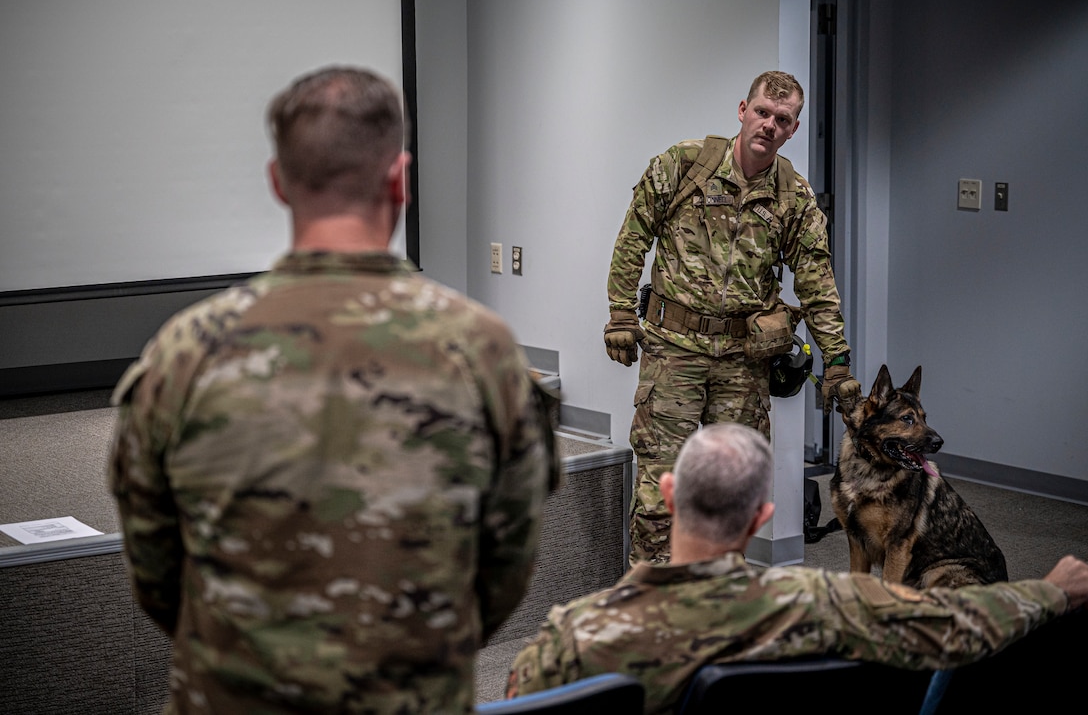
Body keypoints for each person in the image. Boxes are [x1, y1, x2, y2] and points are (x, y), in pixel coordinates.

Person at [108, 66, 559, 714]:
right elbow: (508, 563)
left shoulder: (187, 349)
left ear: (276, 182)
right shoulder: (482, 348)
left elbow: (155, 573)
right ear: (399, 177)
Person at [505, 423, 1088, 714]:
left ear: (668, 493)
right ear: (761, 517)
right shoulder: (825, 603)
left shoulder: (571, 635)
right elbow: (956, 621)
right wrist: (1051, 591)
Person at [604, 71, 861, 563]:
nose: (769, 124)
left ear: (793, 130)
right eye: (762, 112)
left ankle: (720, 601)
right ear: (743, 110)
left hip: (742, 364)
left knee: (733, 491)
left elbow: (816, 281)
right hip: (674, 353)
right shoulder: (683, 164)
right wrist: (620, 314)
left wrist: (839, 362)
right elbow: (633, 238)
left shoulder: (794, 197)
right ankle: (652, 600)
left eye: (781, 119)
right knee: (662, 486)